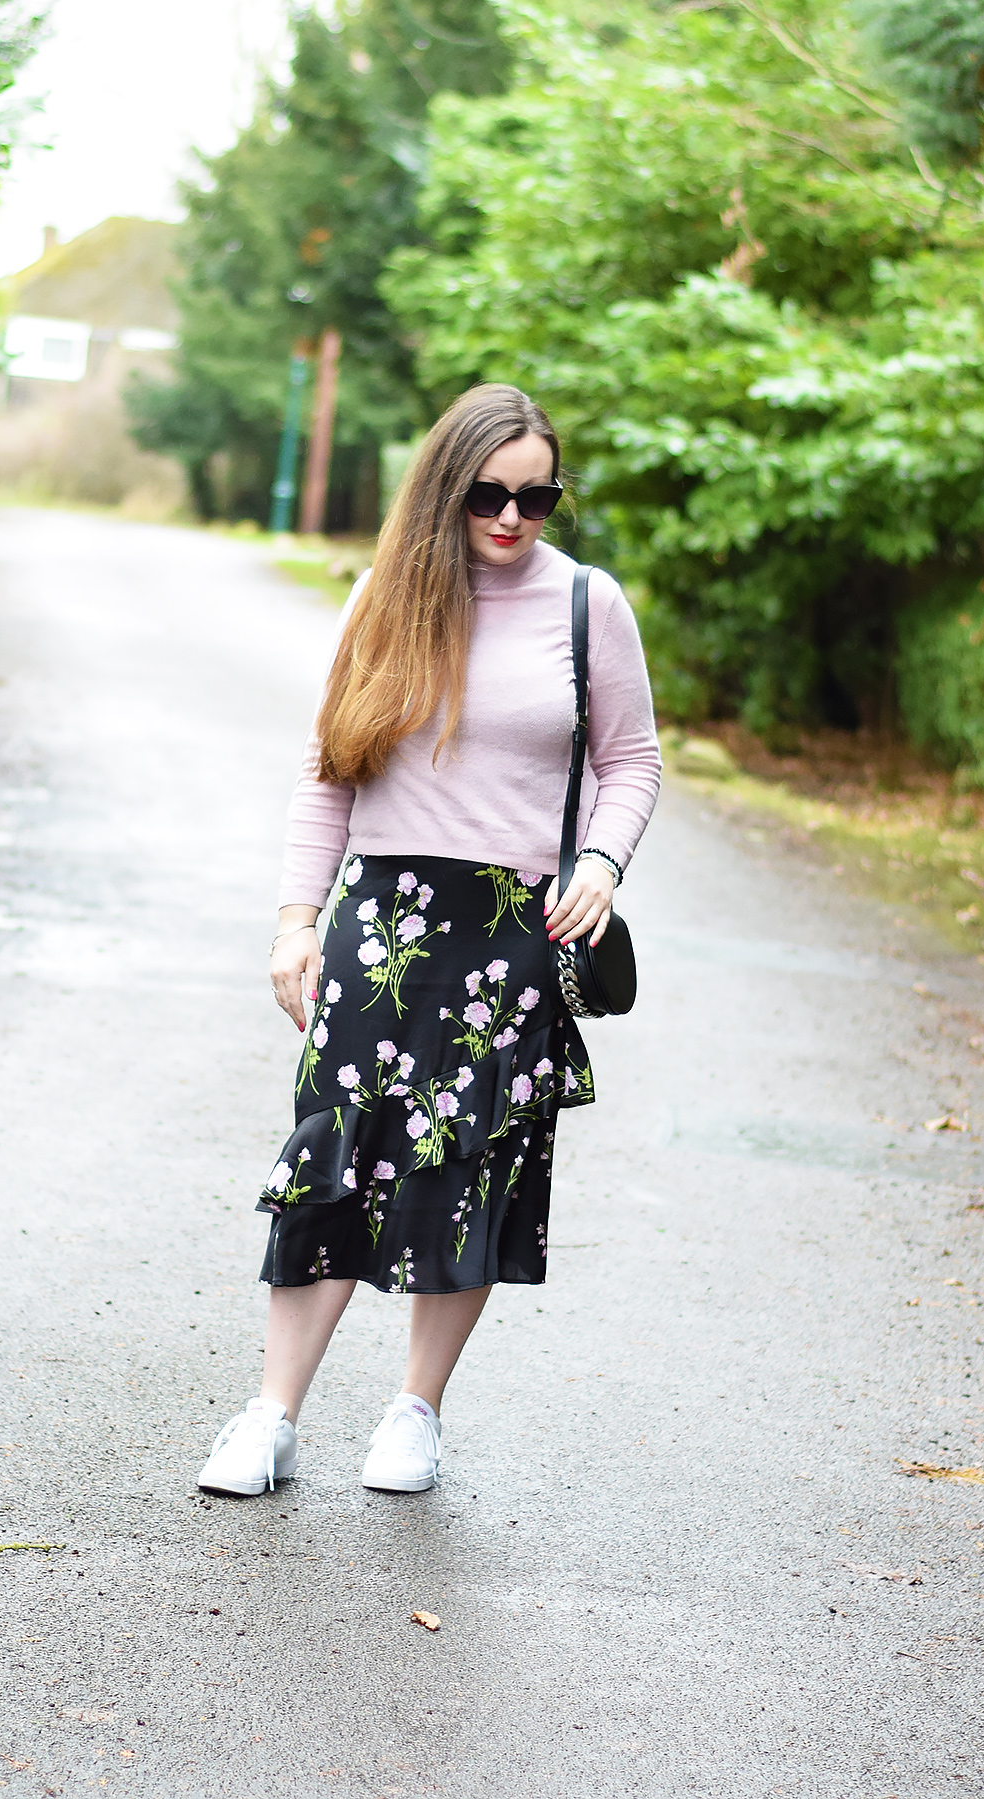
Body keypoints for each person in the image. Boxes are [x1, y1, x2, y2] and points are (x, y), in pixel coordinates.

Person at [198, 383, 661, 1498]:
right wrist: (295, 922)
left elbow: (631, 759)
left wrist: (598, 864)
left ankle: (416, 1410)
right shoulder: (384, 600)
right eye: (489, 496)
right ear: (445, 491)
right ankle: (271, 1414)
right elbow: (328, 771)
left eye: (537, 496)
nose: (513, 518)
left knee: (473, 1169)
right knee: (331, 1166)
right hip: (385, 926)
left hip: (512, 933)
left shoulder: (588, 606)